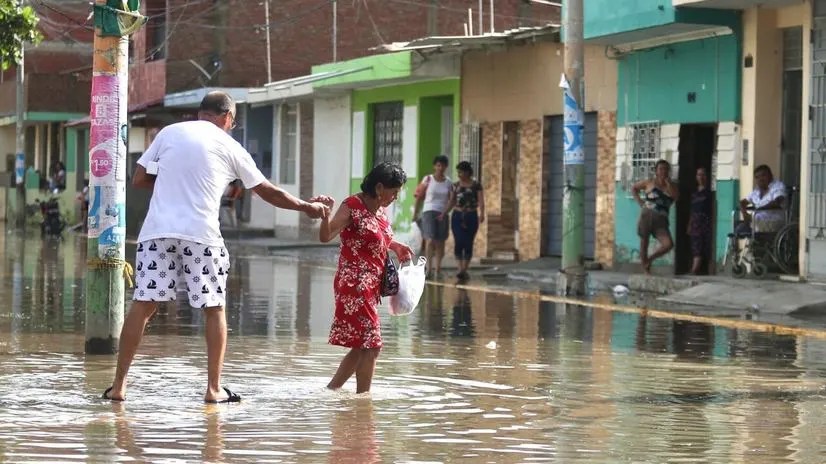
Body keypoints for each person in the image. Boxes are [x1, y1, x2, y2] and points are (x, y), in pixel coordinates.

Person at [101, 91, 330, 403]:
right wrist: (307, 207)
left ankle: (119, 387)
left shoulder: (169, 133)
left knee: (142, 305)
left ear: (200, 112)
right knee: (214, 308)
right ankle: (213, 389)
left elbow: (139, 177)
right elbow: (267, 191)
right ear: (228, 118)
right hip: (201, 236)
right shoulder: (230, 145)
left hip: (157, 233)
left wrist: (173, 182)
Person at [319, 162, 414, 394]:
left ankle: (332, 390)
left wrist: (396, 245)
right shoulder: (352, 205)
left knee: (362, 346)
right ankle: (364, 401)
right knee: (372, 346)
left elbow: (374, 238)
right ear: (380, 187)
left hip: (372, 286)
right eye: (394, 192)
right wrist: (325, 216)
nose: (395, 197)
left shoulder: (379, 209)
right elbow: (326, 235)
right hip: (354, 284)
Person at [632, 159, 679, 274]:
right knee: (644, 242)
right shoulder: (649, 182)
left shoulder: (673, 186)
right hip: (647, 215)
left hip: (661, 220)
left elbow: (675, 196)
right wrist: (640, 202)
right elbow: (634, 188)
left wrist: (667, 184)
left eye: (666, 169)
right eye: (661, 169)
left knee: (668, 244)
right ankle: (646, 270)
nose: (663, 171)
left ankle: (650, 259)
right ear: (656, 171)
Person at [444, 161, 485, 281]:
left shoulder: (476, 185)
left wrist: (482, 213)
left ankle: (464, 269)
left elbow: (481, 201)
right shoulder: (455, 185)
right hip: (457, 215)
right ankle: (460, 268)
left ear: (468, 172)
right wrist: (444, 213)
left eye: (461, 172)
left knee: (468, 242)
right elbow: (451, 201)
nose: (459, 174)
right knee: (459, 241)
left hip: (471, 215)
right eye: (458, 172)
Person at [414, 155, 452, 276]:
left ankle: (438, 268)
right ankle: (429, 268)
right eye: (438, 165)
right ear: (434, 166)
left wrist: (446, 211)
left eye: (443, 165)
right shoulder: (428, 179)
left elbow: (452, 199)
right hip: (428, 211)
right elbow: (419, 196)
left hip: (443, 212)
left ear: (446, 167)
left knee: (441, 241)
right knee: (430, 240)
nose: (440, 168)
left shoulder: (448, 182)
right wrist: (415, 212)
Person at [738, 164, 786, 234]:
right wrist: (744, 212)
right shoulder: (756, 191)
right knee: (738, 229)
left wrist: (760, 209)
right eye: (757, 177)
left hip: (774, 220)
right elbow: (743, 202)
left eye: (763, 175)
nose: (760, 179)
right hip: (756, 221)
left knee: (754, 219)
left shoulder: (777, 186)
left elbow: (777, 201)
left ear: (770, 176)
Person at [687, 167, 713, 275]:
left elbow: (712, 208)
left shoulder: (709, 192)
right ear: (696, 177)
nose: (701, 177)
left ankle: (700, 269)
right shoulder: (694, 193)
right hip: (695, 222)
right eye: (699, 175)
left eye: (703, 174)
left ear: (706, 177)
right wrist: (689, 224)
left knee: (705, 245)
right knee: (696, 244)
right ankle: (695, 269)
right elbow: (692, 210)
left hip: (706, 221)